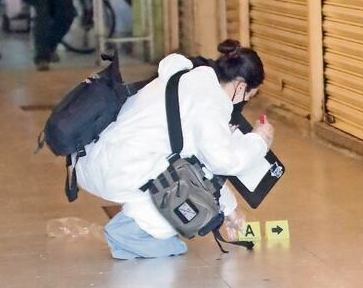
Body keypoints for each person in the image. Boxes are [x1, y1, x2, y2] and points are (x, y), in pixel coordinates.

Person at [75, 40, 275, 260]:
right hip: (116, 169)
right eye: (249, 94)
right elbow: (224, 162)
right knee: (184, 202)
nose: (245, 100)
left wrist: (230, 210)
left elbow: (203, 163)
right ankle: (130, 234)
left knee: (188, 175)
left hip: (97, 155)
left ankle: (133, 228)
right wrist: (259, 140)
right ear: (240, 85)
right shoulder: (208, 101)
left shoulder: (190, 76)